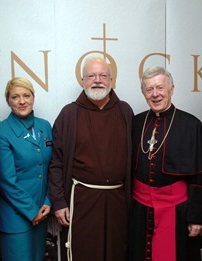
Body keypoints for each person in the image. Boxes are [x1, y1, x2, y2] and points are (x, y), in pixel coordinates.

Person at [48, 56, 133, 261]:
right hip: (81, 201)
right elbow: (56, 162)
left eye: (103, 75)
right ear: (82, 80)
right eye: (91, 76)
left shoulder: (125, 111)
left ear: (111, 80)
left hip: (118, 202)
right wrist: (59, 202)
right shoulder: (69, 114)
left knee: (117, 253)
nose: (97, 80)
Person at [129, 66, 202, 261]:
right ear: (143, 93)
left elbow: (198, 177)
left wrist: (195, 218)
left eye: (160, 88)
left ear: (171, 89)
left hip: (177, 212)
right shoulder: (135, 123)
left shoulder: (190, 125)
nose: (155, 94)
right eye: (149, 89)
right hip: (140, 210)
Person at [0, 77, 52, 261]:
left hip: (41, 214)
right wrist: (31, 211)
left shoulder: (45, 126)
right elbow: (6, 181)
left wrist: (48, 201)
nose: (22, 101)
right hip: (16, 218)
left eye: (26, 95)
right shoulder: (2, 131)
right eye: (15, 97)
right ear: (8, 101)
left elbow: (53, 168)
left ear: (33, 97)